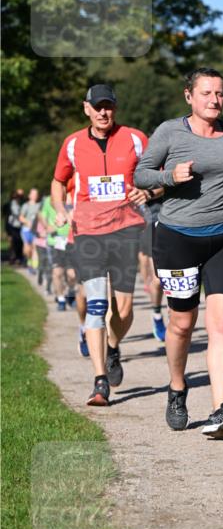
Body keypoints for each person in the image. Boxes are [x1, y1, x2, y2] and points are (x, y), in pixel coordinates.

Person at [134, 68, 223, 437]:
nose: (214, 100)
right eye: (206, 93)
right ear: (189, 96)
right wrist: (170, 176)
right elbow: (141, 174)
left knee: (222, 324)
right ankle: (177, 387)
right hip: (177, 238)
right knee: (183, 324)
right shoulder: (171, 131)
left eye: (219, 93)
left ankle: (221, 408)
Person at [51, 84, 150, 405]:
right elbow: (57, 181)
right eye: (97, 107)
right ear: (87, 109)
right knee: (97, 305)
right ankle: (99, 381)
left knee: (124, 309)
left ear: (115, 109)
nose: (103, 112)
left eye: (108, 106)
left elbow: (155, 176)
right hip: (88, 232)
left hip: (125, 230)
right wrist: (60, 209)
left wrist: (148, 193)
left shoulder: (135, 139)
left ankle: (113, 345)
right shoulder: (72, 144)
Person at [137, 198, 166, 342]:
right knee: (158, 279)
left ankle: (178, 321)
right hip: (151, 224)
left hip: (178, 222)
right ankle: (157, 314)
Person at [19, 188, 41, 271]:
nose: (35, 196)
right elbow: (20, 217)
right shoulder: (26, 205)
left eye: (36, 194)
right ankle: (29, 260)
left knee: (35, 248)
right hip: (26, 230)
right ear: (29, 195)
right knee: (27, 250)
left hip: (35, 231)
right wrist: (28, 222)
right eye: (33, 194)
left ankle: (34, 268)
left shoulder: (39, 205)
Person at [4, 189, 25, 265]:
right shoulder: (11, 205)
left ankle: (19, 258)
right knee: (13, 242)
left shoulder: (22, 204)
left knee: (19, 242)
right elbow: (14, 215)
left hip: (19, 226)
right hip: (12, 227)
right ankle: (12, 257)